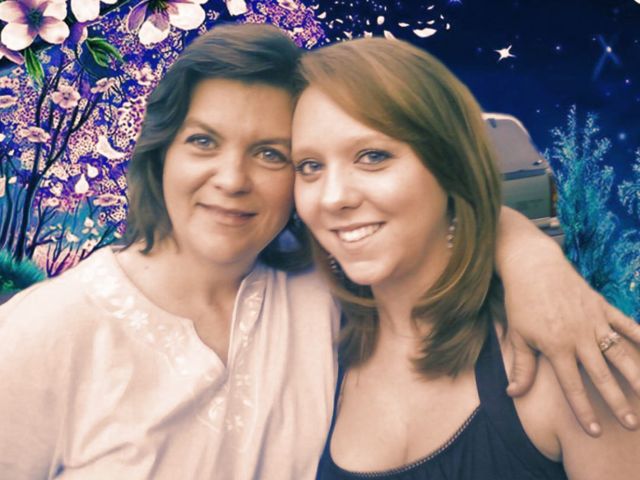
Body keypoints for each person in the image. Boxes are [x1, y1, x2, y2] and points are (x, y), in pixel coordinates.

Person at [0, 23, 637, 480]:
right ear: (159, 152)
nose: (232, 179)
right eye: (202, 141)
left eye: (272, 154)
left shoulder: (314, 295)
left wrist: (532, 259)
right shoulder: (38, 335)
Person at [290, 36, 640, 479]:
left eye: (373, 156)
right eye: (309, 166)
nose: (332, 197)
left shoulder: (573, 357)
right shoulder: (313, 348)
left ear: (450, 166)